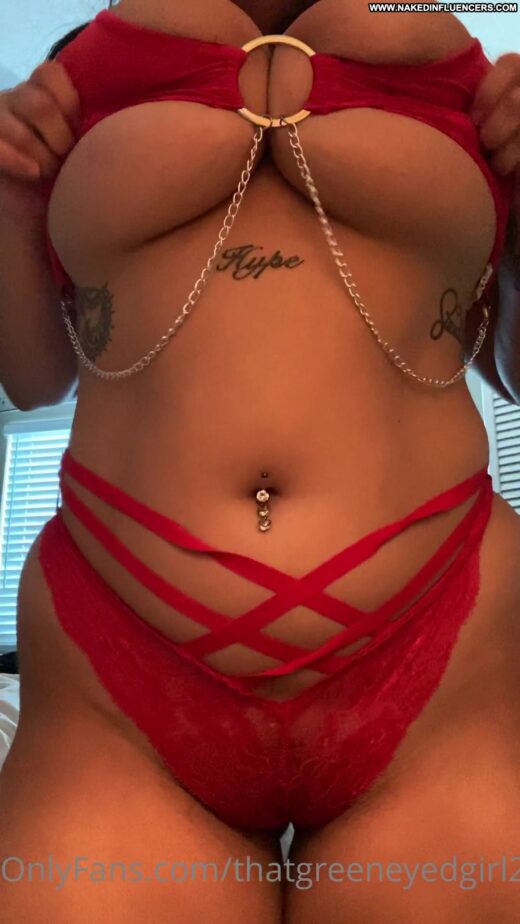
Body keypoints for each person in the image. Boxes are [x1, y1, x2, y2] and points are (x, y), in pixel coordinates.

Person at [1, 1, 520, 920]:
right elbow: (34, 377)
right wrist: (7, 194)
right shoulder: (70, 92)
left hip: (442, 652)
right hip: (119, 663)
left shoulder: (467, 77)